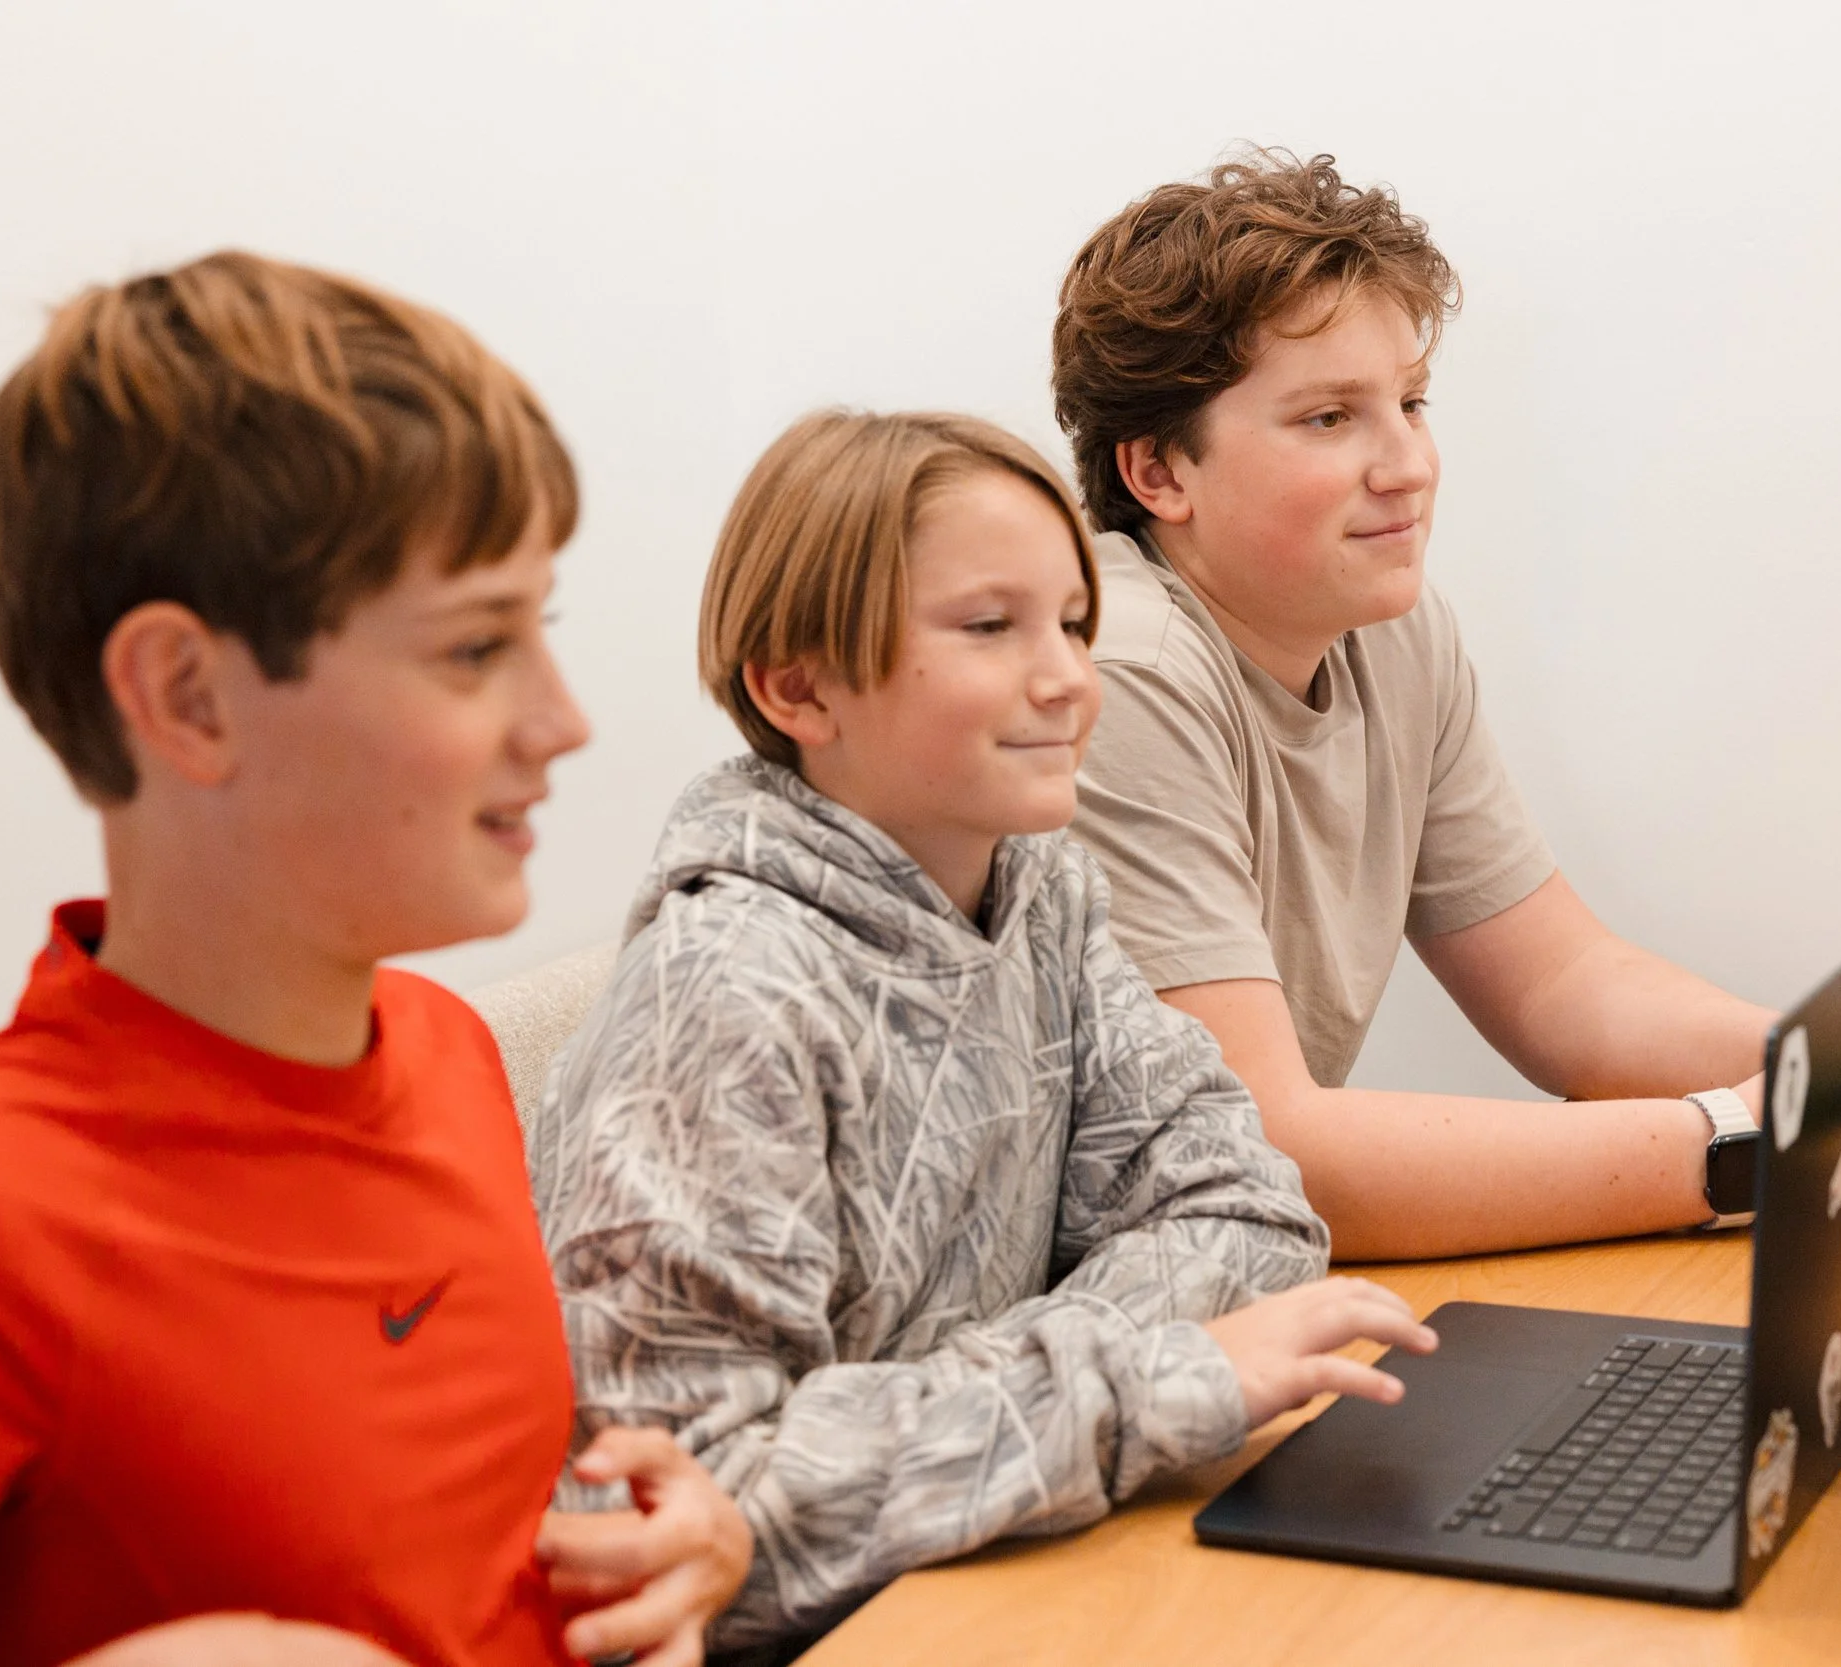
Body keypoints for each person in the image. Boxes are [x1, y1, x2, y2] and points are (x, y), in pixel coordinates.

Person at [0, 253, 748, 1667]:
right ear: (188, 696)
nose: (563, 720)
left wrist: (679, 1545)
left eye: (539, 630)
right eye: (473, 648)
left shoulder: (448, 1051)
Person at [524, 409, 1436, 1653]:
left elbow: (1247, 1210)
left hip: (998, 1574)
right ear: (799, 686)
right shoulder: (724, 997)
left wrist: (993, 1401)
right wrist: (1151, 1382)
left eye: (1071, 621)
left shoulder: (1040, 891)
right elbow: (685, 1515)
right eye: (988, 627)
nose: (1065, 676)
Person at [1051, 151, 1775, 1262]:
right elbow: (1263, 1148)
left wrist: (1827, 1067)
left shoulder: (1389, 626)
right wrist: (1732, 1145)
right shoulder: (1124, 668)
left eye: (1411, 400)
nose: (1408, 464)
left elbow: (1561, 983)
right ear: (1158, 473)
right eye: (1330, 418)